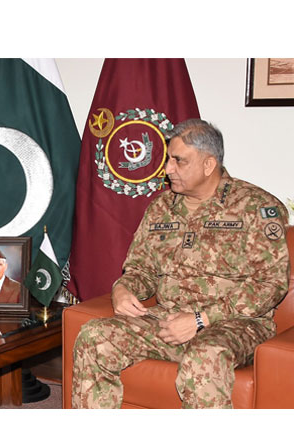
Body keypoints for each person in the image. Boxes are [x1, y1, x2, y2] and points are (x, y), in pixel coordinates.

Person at [72, 119, 290, 409]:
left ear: (208, 164)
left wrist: (201, 319)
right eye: (168, 160)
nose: (167, 169)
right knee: (94, 336)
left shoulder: (256, 207)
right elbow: (141, 269)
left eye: (178, 161)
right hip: (168, 318)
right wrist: (123, 288)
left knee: (204, 357)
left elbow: (270, 285)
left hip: (236, 324)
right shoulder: (161, 208)